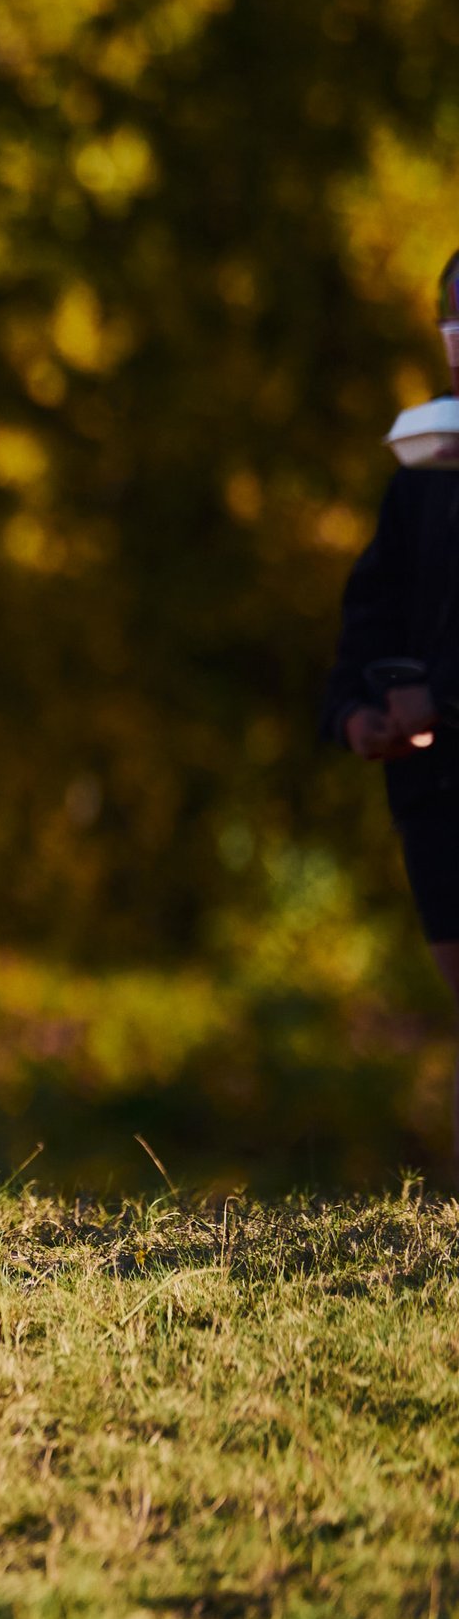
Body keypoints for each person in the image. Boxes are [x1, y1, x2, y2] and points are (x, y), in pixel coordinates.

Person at [326, 247, 459, 1173]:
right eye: (453, 318)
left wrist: (442, 699)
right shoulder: (426, 460)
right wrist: (355, 712)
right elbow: (371, 608)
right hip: (433, 786)